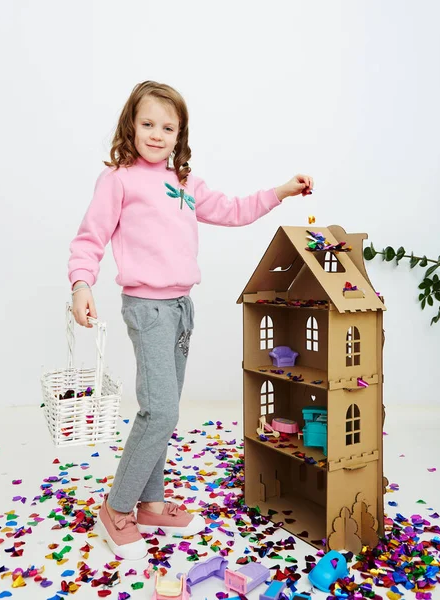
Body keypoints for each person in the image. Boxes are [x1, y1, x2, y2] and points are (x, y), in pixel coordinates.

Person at [68, 80, 314, 560]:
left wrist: (281, 192)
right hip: (147, 309)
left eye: (168, 127)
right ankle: (118, 508)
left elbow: (234, 209)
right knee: (159, 411)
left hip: (182, 309)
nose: (157, 134)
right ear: (130, 126)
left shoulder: (185, 182)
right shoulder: (118, 179)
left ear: (180, 134)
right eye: (147, 124)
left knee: (162, 410)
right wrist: (81, 284)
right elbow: (89, 238)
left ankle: (151, 501)